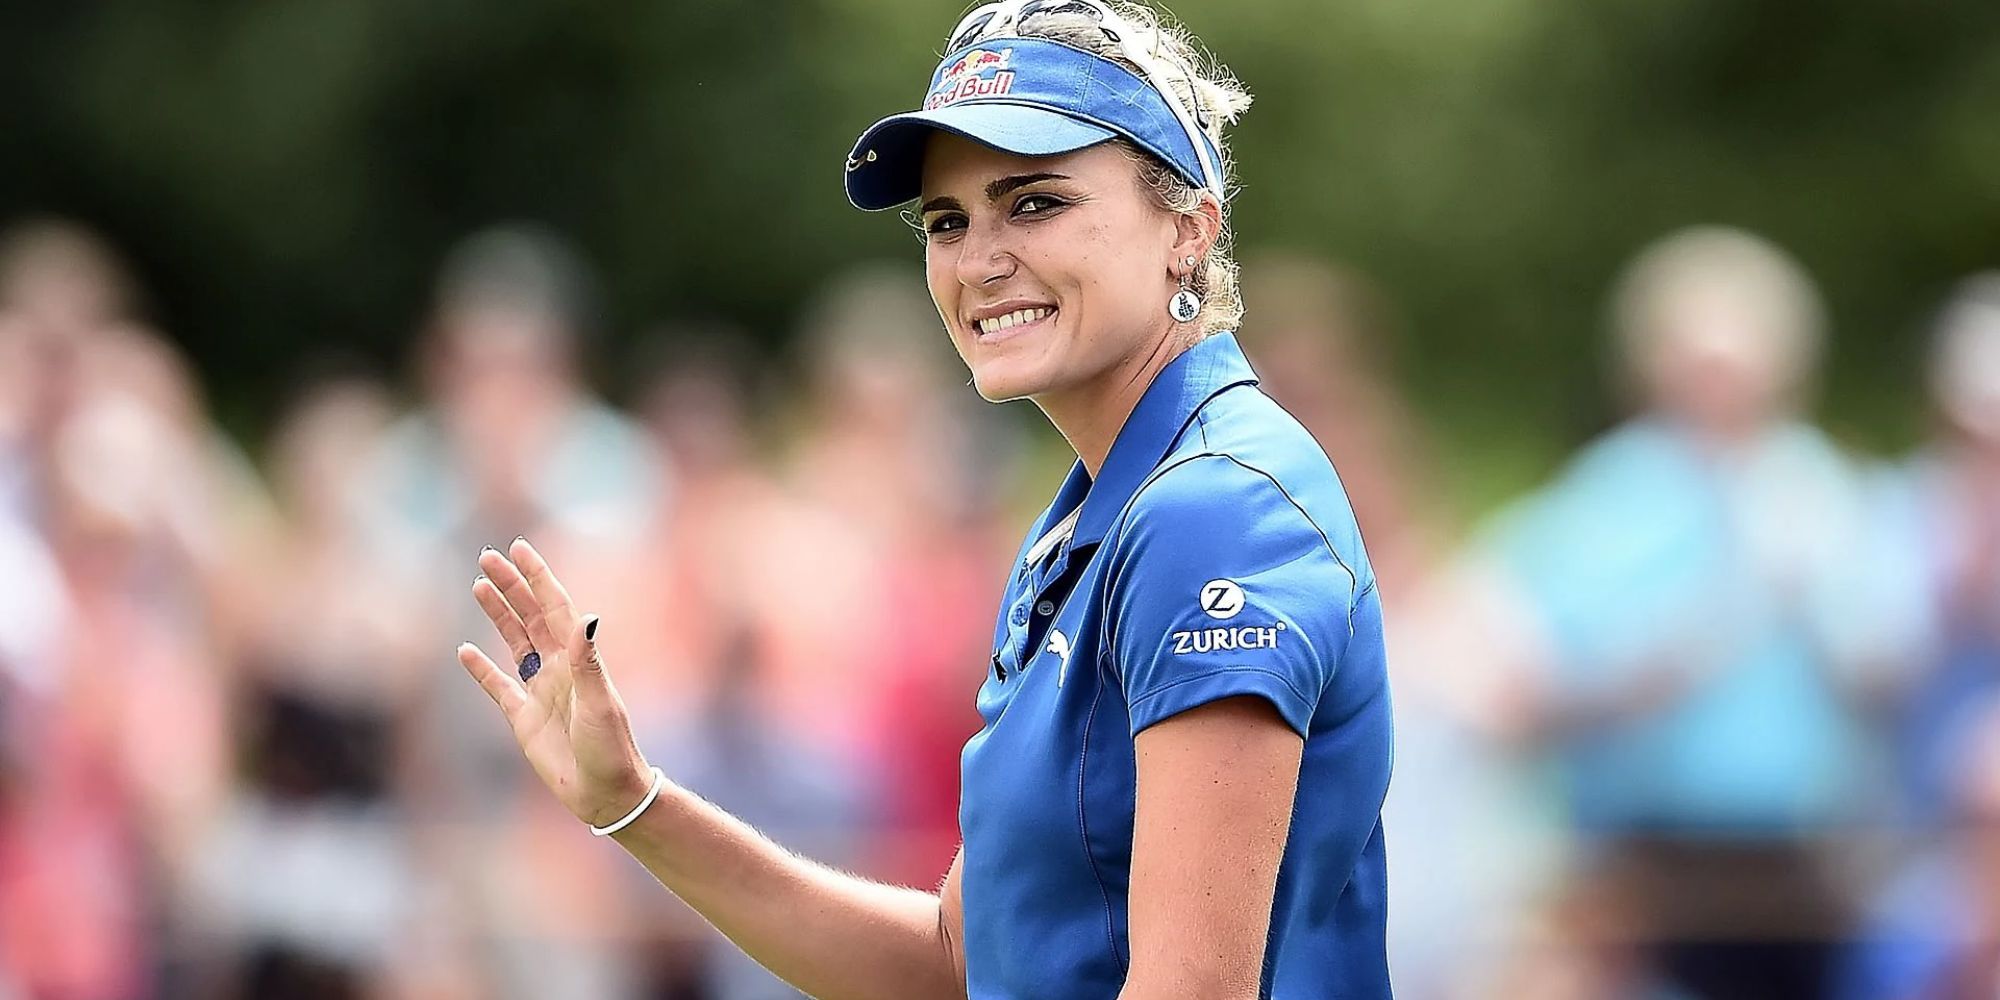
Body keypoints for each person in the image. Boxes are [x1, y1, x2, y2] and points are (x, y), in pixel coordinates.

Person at [454, 2, 1394, 997]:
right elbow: (956, 961)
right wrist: (634, 803)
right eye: (947, 221)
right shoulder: (1085, 524)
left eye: (1032, 202)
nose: (979, 260)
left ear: (1186, 228)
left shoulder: (1210, 506)